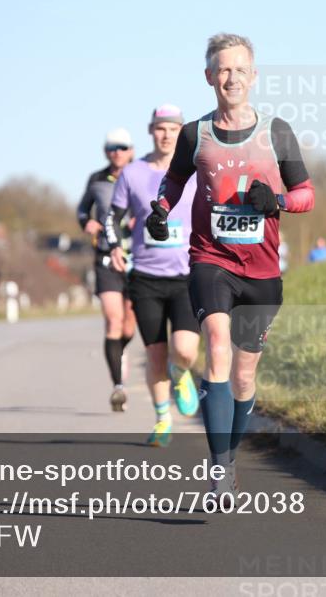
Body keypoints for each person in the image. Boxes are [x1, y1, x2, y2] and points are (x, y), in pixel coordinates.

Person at [145, 34, 315, 502]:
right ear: (209, 77)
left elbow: (307, 195)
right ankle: (219, 470)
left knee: (243, 377)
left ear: (253, 76)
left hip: (262, 272)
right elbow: (174, 180)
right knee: (216, 346)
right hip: (210, 259)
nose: (231, 77)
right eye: (223, 69)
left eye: (240, 69)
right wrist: (160, 208)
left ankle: (230, 455)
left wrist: (276, 200)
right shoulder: (194, 134)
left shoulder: (276, 132)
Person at [104, 105, 201, 447]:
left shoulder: (195, 171)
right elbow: (112, 218)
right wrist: (115, 246)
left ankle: (182, 372)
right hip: (145, 278)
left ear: (182, 133)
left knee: (185, 350)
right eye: (160, 128)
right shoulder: (133, 173)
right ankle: (163, 420)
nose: (166, 135)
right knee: (156, 355)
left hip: (188, 274)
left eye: (173, 129)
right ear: (151, 131)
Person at [77, 128, 136, 412]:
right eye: (112, 148)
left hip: (139, 258)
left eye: (122, 147)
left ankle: (120, 349)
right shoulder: (97, 179)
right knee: (113, 320)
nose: (117, 152)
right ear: (105, 151)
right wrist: (86, 222)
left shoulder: (141, 174)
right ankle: (118, 387)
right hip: (105, 256)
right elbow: (81, 210)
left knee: (128, 324)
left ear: (132, 150)